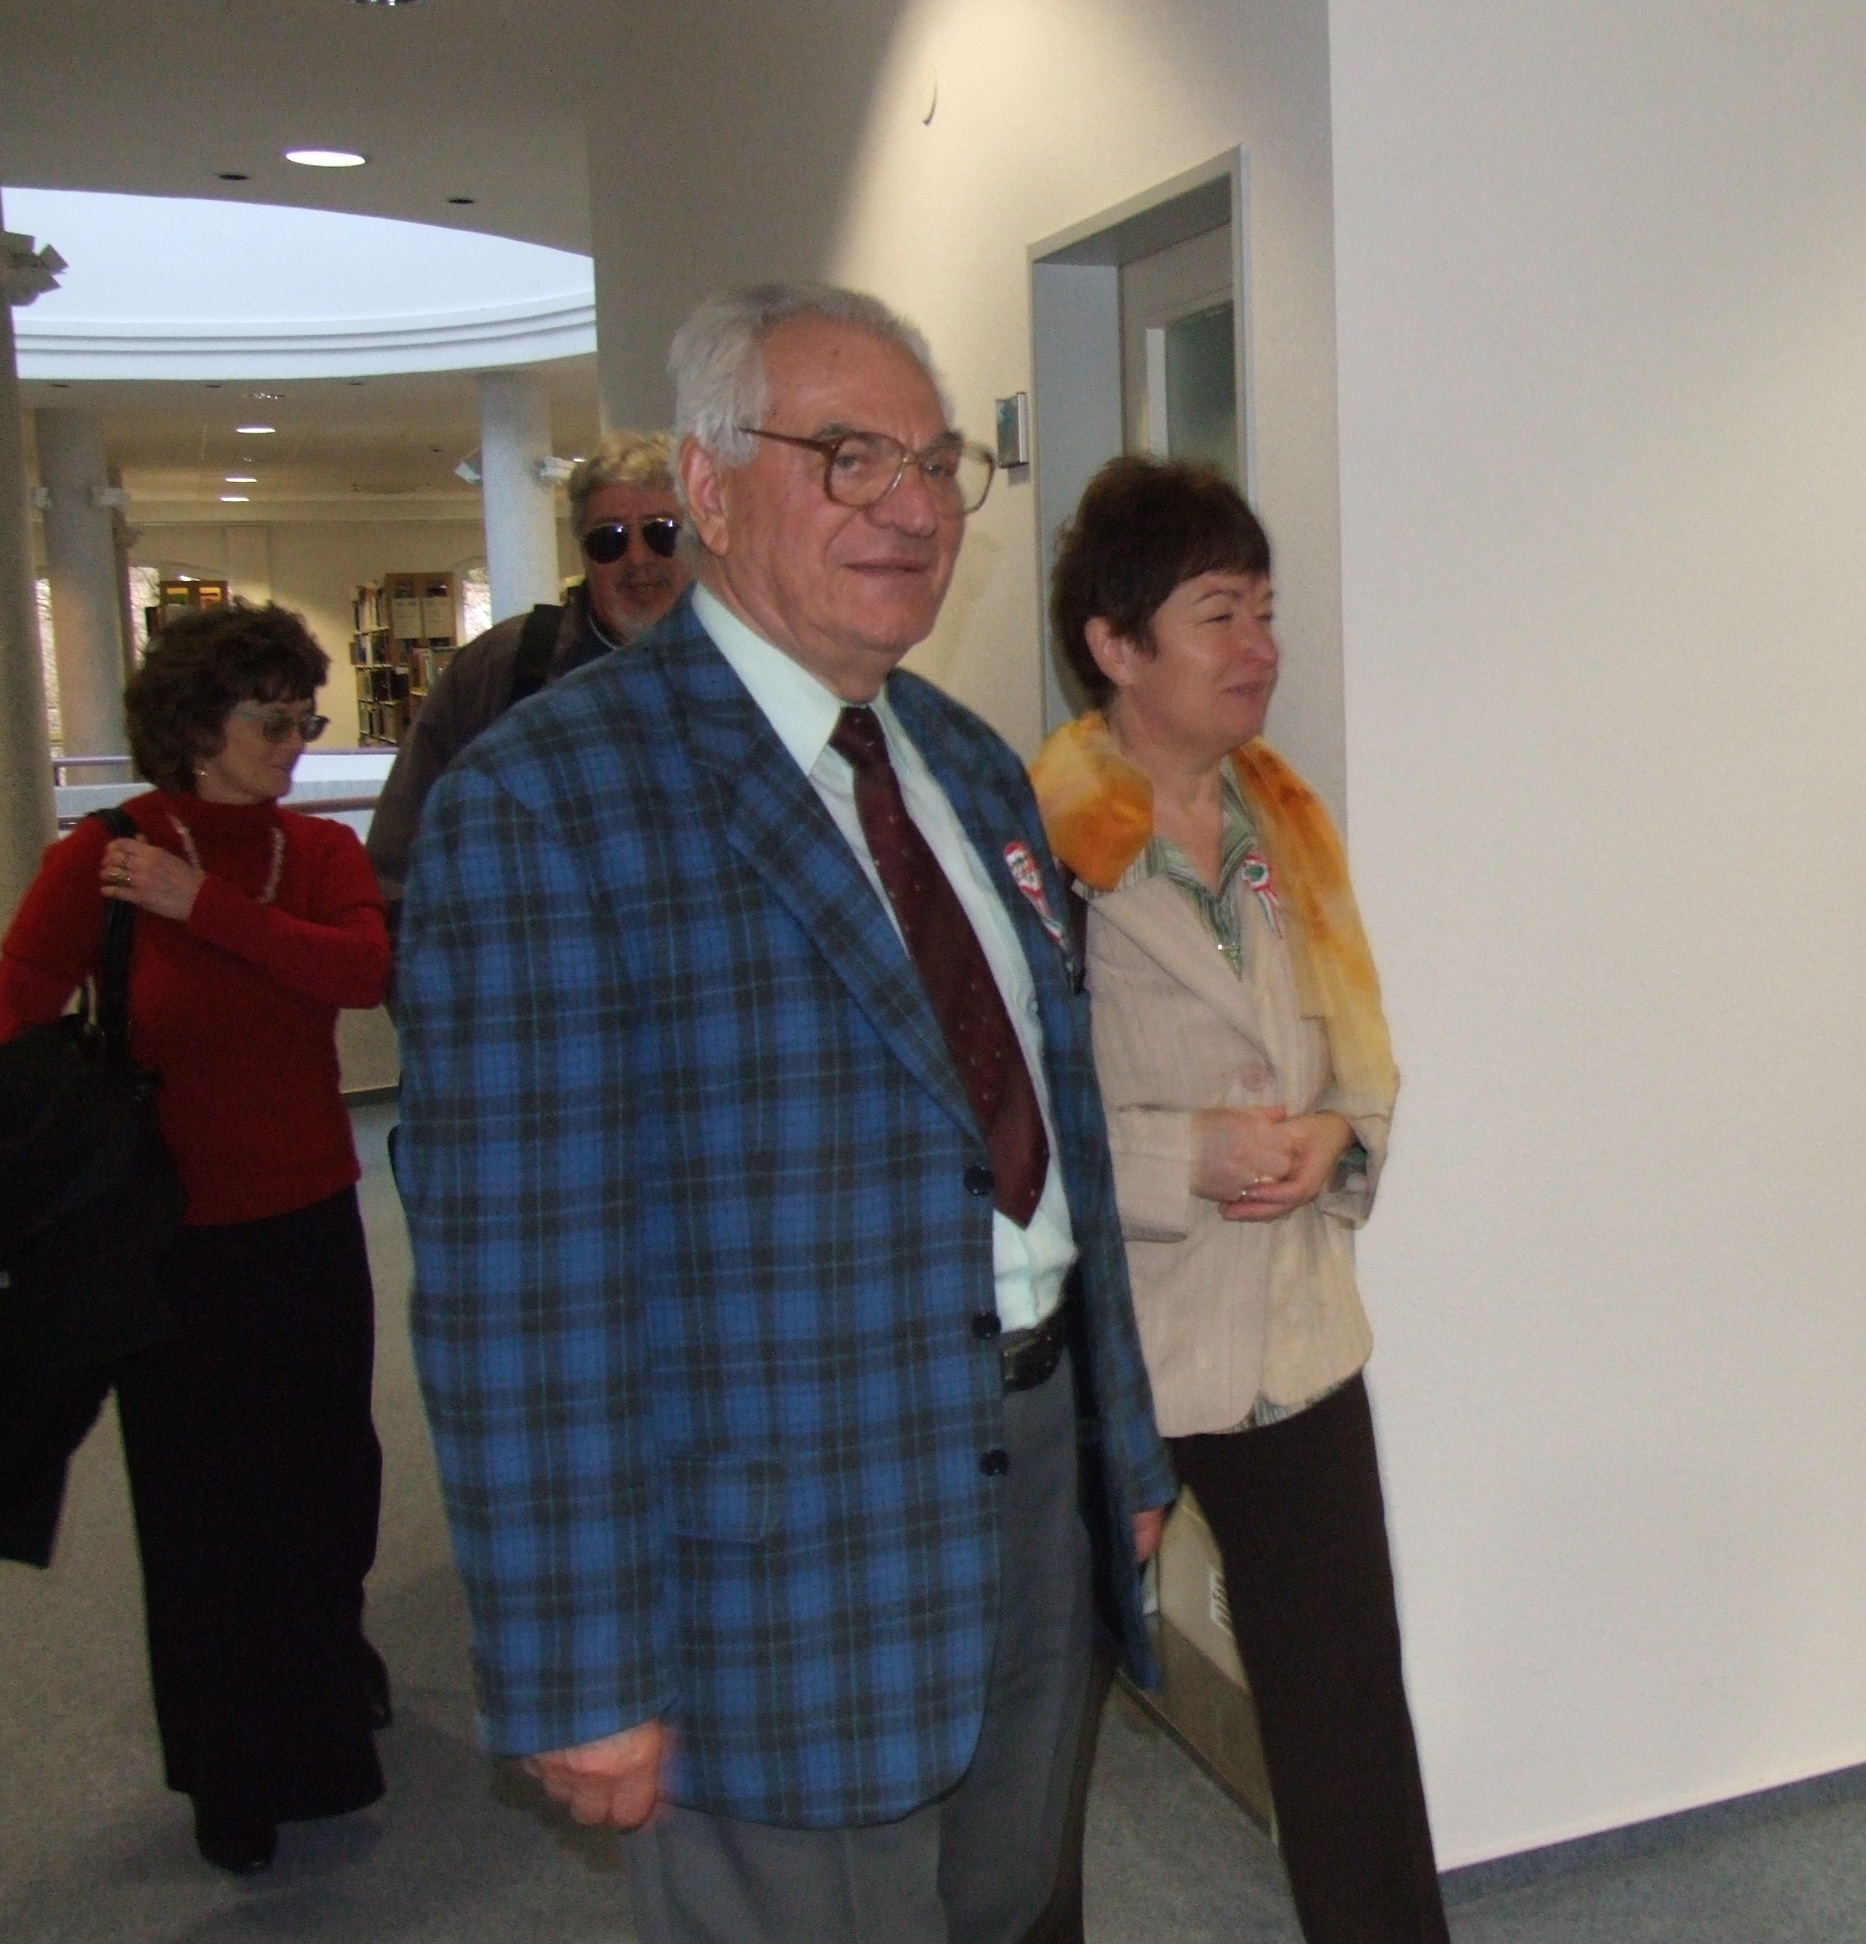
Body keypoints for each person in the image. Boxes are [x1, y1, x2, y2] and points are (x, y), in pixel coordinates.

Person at [394, 284, 1175, 1944]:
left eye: (936, 462)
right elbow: (516, 1287)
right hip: (772, 1561)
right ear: (709, 482)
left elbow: (1056, 1135)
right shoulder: (546, 800)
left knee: (1007, 1903)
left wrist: (1116, 1444)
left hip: (1032, 1472)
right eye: (846, 455)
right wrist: (578, 1663)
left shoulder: (967, 763)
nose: (912, 505)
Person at [1032, 457, 1448, 1944]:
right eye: (1220, 613)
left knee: (1348, 1715)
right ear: (1115, 643)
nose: (1260, 646)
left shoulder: (1286, 820)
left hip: (1294, 1339)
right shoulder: (1039, 840)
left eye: (1264, 610)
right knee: (1037, 1744)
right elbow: (1001, 1119)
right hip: (1117, 1352)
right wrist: (1181, 1158)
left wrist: (1339, 1134)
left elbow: (1359, 1048)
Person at [0, 603, 392, 1876]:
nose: (294, 743)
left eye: (304, 719)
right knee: (199, 1515)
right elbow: (16, 1003)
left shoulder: (315, 849)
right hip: (165, 1239)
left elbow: (359, 974)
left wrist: (205, 906)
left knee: (326, 1483)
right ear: (193, 726)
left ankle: (325, 1720)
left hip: (310, 1220)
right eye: (270, 721)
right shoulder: (107, 854)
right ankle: (231, 1775)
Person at [364, 429, 689, 920]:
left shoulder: (754, 667)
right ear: (584, 554)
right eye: (609, 539)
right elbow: (401, 853)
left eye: (662, 532)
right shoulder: (503, 665)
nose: (638, 558)